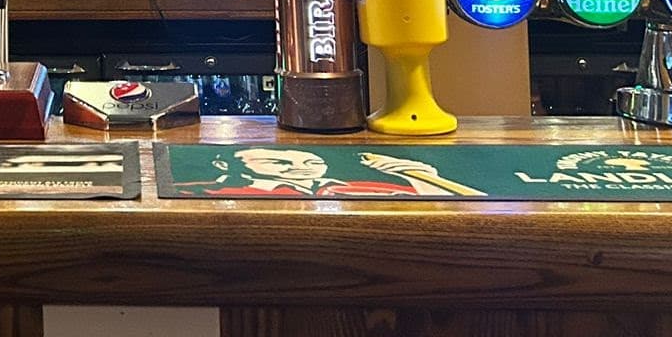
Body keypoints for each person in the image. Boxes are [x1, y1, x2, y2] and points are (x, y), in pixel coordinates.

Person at [193, 146, 483, 198]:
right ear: (223, 164)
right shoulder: (204, 192)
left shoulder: (361, 186)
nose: (298, 167)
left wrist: (417, 174)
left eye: (311, 162)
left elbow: (462, 204)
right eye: (279, 163)